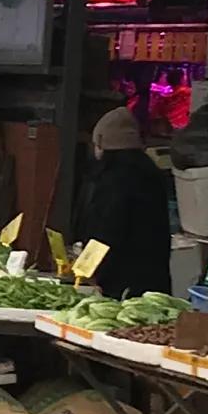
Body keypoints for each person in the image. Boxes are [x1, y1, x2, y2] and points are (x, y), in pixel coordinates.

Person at [77, 105, 173, 298]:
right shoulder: (150, 172)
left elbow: (107, 231)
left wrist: (90, 270)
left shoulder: (115, 180)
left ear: (104, 144)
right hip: (153, 279)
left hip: (122, 283)